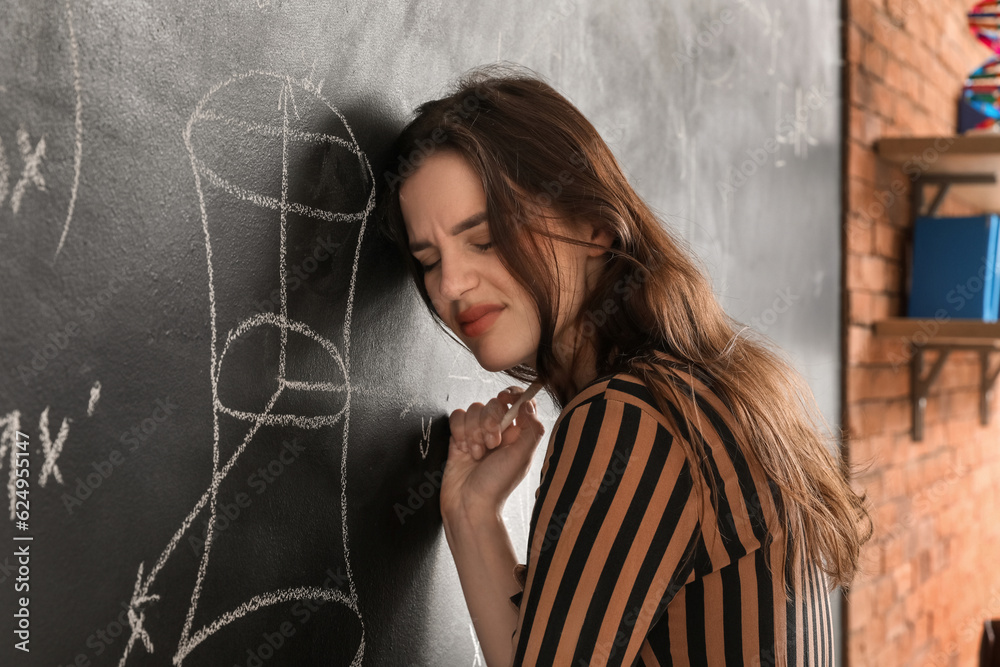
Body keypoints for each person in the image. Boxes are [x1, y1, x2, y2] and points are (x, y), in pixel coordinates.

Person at [377, 63, 872, 667]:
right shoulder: (694, 393)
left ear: (595, 230)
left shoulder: (629, 420)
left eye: (484, 239)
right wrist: (471, 512)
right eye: (428, 260)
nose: (451, 283)